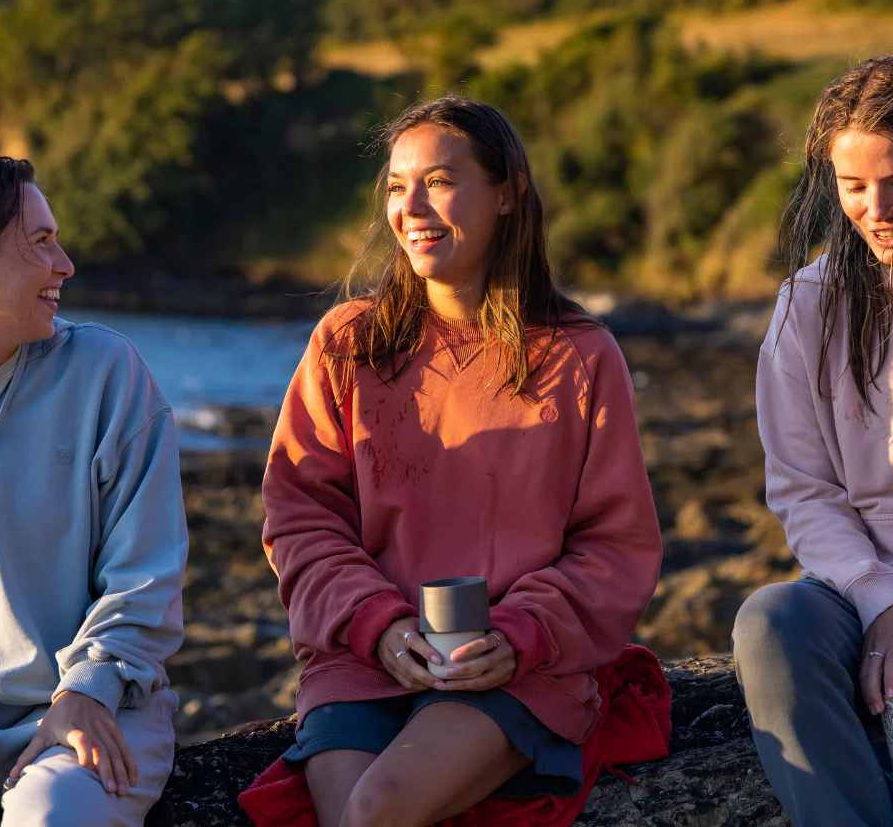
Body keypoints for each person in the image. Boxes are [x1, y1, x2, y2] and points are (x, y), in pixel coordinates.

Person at [261, 96, 662, 827]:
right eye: (395, 185)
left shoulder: (580, 354)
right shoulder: (347, 342)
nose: (411, 206)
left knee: (374, 812)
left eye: (440, 181)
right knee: (352, 811)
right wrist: (377, 624)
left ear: (507, 192)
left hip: (513, 667)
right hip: (364, 656)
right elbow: (299, 518)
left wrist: (518, 636)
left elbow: (616, 546)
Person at [733, 56, 893, 826]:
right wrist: (881, 600)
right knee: (770, 625)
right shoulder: (809, 303)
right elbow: (805, 489)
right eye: (853, 185)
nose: (876, 208)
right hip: (870, 597)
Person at [0, 157, 187, 827]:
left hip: (96, 704)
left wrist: (87, 687)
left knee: (52, 813)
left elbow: (146, 575)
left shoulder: (104, 374)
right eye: (39, 242)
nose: (65, 264)